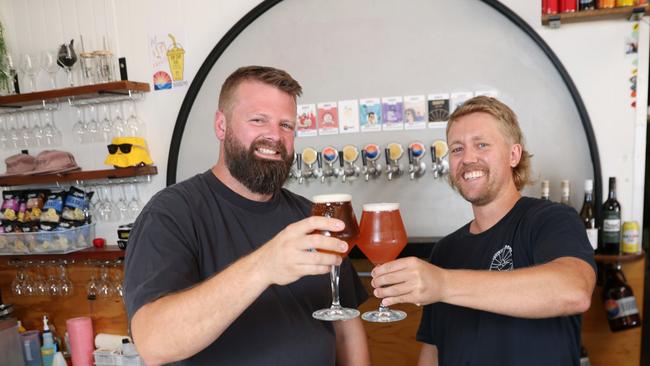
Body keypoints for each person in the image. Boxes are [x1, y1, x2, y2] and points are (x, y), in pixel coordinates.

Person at [123, 66, 370, 366]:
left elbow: (346, 331)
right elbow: (154, 343)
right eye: (258, 120)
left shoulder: (311, 216)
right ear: (221, 125)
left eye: (286, 125)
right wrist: (263, 266)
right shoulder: (171, 214)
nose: (274, 136)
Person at [370, 96, 596, 366]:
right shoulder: (446, 251)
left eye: (482, 145)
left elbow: (573, 291)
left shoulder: (550, 219)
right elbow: (433, 351)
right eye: (457, 149)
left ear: (514, 155)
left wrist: (443, 284)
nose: (468, 158)